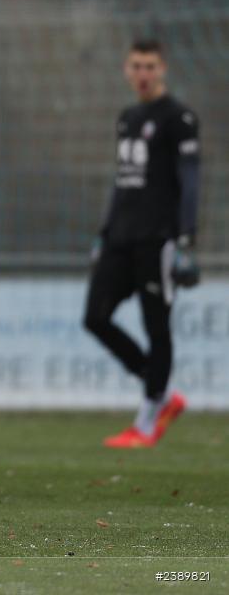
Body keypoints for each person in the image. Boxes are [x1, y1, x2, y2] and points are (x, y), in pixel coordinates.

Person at [84, 38, 201, 448]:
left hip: (159, 240)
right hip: (121, 238)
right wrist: (103, 233)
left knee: (157, 328)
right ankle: (165, 396)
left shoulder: (179, 118)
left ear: (163, 68)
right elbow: (122, 183)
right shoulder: (128, 117)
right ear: (126, 70)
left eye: (150, 66)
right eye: (136, 66)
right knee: (95, 317)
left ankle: (147, 422)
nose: (143, 74)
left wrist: (185, 238)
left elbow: (189, 181)